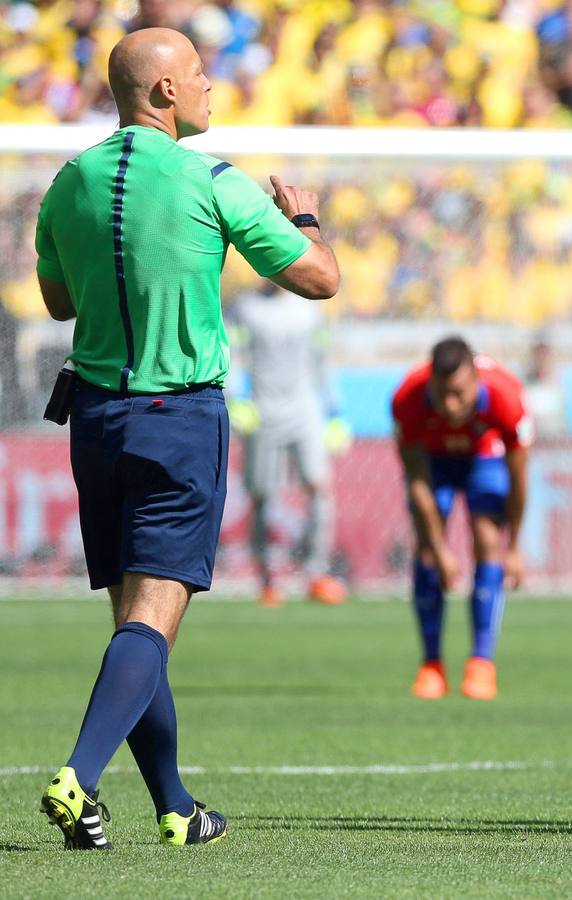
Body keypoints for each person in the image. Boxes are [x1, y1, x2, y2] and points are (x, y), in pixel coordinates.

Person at [34, 27, 338, 849]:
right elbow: (319, 279)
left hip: (95, 420)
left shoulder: (69, 182)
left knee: (134, 622)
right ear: (165, 91)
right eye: (200, 75)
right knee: (153, 621)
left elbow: (58, 301)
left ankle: (174, 808)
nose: (212, 86)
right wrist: (303, 217)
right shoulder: (212, 180)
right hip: (177, 418)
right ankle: (78, 778)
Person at [391, 337, 530, 702]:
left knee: (487, 539)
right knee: (424, 551)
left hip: (483, 457)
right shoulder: (407, 398)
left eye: (459, 394)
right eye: (442, 394)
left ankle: (481, 663)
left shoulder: (506, 397)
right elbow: (416, 480)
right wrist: (439, 550)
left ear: (475, 380)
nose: (451, 405)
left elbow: (519, 478)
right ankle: (431, 665)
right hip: (434, 462)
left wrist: (513, 546)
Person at [231, 282, 347, 608]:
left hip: (305, 408)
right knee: (263, 495)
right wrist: (237, 397)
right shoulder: (247, 307)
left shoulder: (309, 306)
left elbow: (322, 359)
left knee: (319, 486)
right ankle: (267, 577)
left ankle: (316, 573)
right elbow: (235, 353)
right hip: (263, 410)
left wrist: (334, 410)